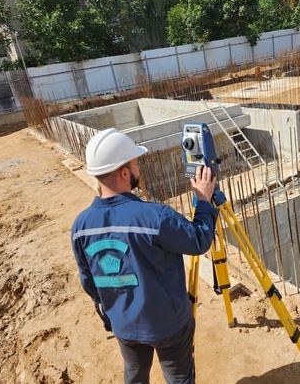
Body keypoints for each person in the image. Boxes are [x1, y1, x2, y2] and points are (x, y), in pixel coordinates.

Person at [71, 128, 218, 384]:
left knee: (135, 376)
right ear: (125, 172)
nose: (139, 168)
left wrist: (111, 309)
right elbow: (198, 240)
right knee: (179, 378)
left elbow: (88, 281)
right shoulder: (155, 216)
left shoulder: (81, 226)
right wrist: (204, 200)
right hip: (168, 325)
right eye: (136, 163)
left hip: (123, 325)